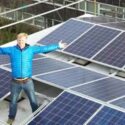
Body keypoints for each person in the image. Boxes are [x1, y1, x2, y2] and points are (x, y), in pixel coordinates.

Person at [0, 33, 66, 125]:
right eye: (19, 40)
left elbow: (44, 49)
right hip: (15, 82)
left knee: (33, 101)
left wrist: (57, 46)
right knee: (13, 102)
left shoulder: (31, 49)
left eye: (22, 40)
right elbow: (1, 50)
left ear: (26, 40)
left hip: (28, 81)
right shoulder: (11, 50)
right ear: (17, 40)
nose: (20, 41)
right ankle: (11, 118)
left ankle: (37, 117)